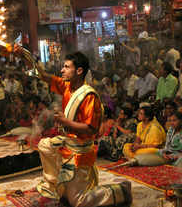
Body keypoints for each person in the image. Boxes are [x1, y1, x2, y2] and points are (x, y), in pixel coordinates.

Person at [16, 48, 132, 207]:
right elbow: (44, 76)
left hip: (80, 150)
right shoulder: (66, 86)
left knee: (79, 202)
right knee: (45, 145)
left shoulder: (89, 96)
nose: (62, 70)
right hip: (67, 142)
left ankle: (120, 191)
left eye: (66, 67)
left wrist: (65, 122)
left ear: (79, 71)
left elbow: (91, 129)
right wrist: (26, 55)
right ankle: (55, 186)